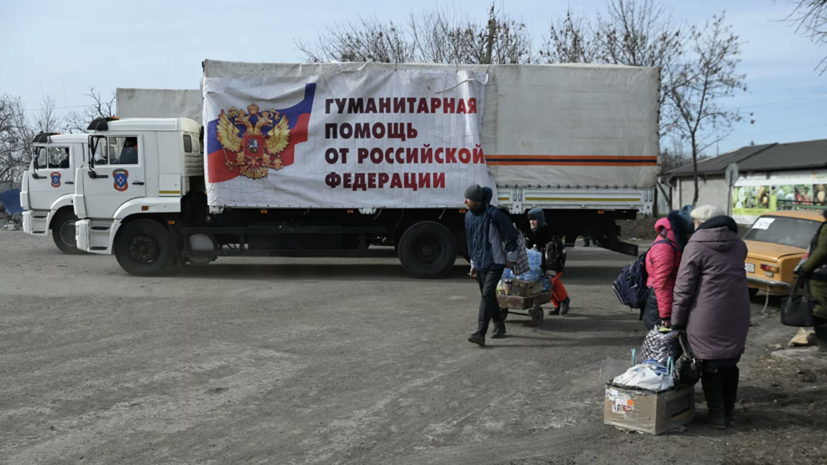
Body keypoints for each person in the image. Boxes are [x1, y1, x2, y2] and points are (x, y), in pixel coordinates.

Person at [671, 205, 751, 429]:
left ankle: (717, 415)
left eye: (695, 222)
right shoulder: (739, 244)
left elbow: (684, 288)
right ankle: (730, 413)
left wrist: (676, 320)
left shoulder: (695, 246)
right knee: (730, 362)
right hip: (737, 312)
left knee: (710, 364)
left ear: (700, 223)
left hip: (706, 314)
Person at [464, 184, 520, 347]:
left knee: (487, 294)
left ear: (477, 201)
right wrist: (473, 263)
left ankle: (480, 333)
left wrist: (511, 258)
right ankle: (499, 326)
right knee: (488, 296)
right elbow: (471, 241)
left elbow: (511, 235)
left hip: (495, 262)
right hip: (479, 262)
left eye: (468, 198)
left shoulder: (494, 214)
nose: (465, 200)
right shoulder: (468, 216)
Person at [641, 206, 693, 330]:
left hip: (666, 298)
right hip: (659, 301)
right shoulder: (665, 248)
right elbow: (662, 283)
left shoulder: (671, 240)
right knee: (662, 344)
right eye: (690, 234)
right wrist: (665, 315)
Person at [524, 208, 570, 315]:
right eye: (530, 220)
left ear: (540, 220)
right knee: (546, 284)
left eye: (534, 220)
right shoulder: (530, 232)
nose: (532, 222)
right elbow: (527, 250)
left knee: (552, 280)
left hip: (556, 260)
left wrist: (550, 272)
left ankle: (564, 300)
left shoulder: (550, 234)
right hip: (541, 260)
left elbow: (551, 255)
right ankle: (557, 306)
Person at [800, 208, 827, 351]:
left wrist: (806, 267)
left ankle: (824, 345)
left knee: (820, 309)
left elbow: (822, 249)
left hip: (821, 274)